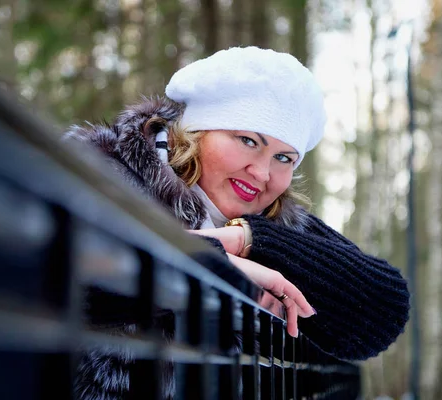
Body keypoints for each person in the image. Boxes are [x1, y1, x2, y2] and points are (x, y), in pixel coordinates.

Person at [65, 46, 410, 399]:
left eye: (283, 158)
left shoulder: (272, 219)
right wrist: (211, 261)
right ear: (198, 131)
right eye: (247, 140)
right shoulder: (106, 170)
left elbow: (383, 308)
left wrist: (249, 240)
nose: (262, 173)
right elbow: (62, 276)